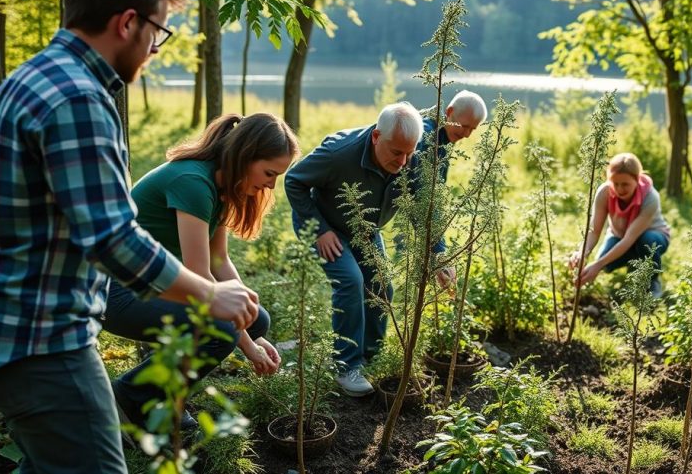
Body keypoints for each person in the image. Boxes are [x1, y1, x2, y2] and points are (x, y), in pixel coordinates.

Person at [0, 0, 258, 474]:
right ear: (127, 23)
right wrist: (210, 293)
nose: (155, 48)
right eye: (158, 32)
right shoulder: (80, 98)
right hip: (39, 339)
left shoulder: (29, 78)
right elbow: (113, 239)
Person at [103, 113, 297, 431]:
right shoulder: (193, 182)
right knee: (223, 330)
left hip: (158, 284)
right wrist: (248, 345)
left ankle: (160, 384)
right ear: (246, 157)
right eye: (269, 173)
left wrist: (246, 308)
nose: (271, 185)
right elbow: (200, 275)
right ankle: (132, 396)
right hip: (117, 292)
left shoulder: (221, 184)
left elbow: (219, 261)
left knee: (257, 319)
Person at [284, 102, 423, 397]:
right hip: (324, 226)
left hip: (365, 230)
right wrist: (320, 230)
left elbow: (421, 207)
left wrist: (437, 253)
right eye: (396, 152)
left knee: (382, 286)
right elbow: (294, 181)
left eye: (409, 152)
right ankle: (346, 367)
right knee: (350, 281)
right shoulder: (338, 154)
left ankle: (370, 356)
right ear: (376, 136)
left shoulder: (410, 158)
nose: (403, 161)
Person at [568, 152, 670, 296]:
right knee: (606, 265)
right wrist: (582, 252)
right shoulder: (604, 192)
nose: (620, 189)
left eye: (625, 184)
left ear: (637, 179)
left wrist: (597, 265)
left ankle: (652, 280)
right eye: (615, 184)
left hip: (652, 236)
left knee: (646, 242)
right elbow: (594, 231)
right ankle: (635, 261)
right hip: (619, 236)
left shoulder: (650, 197)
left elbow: (630, 238)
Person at [416, 90, 488, 285]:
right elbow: (426, 200)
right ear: (449, 111)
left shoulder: (444, 137)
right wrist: (439, 254)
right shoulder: (427, 138)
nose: (466, 134)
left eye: (472, 129)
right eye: (464, 126)